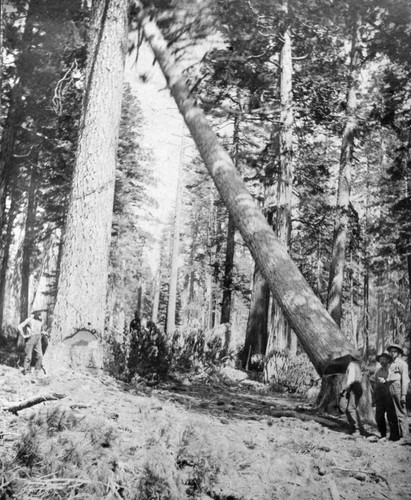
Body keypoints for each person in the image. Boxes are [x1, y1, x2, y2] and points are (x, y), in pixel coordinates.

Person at [386, 344, 409, 443]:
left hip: (398, 388)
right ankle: (394, 435)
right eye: (391, 351)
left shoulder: (402, 363)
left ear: (399, 353)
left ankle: (405, 437)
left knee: (400, 412)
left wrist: (403, 394)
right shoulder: (389, 364)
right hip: (389, 387)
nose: (392, 353)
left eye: (395, 351)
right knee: (390, 412)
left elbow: (405, 379)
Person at [374, 352, 395, 441]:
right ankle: (383, 434)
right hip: (380, 395)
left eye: (384, 359)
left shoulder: (391, 369)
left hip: (389, 395)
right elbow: (374, 380)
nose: (382, 361)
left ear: (388, 360)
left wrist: (385, 380)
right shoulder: (378, 370)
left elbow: (394, 379)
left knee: (391, 416)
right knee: (379, 416)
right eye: (380, 360)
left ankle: (394, 436)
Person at [340, 355, 363, 437]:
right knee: (349, 408)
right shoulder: (357, 365)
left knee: (351, 408)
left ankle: (357, 429)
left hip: (354, 387)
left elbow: (351, 380)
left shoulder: (352, 365)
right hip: (356, 387)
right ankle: (353, 427)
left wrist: (344, 389)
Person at [18, 310, 44, 376]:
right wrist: (23, 335)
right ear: (35, 313)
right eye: (38, 313)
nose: (39, 314)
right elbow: (20, 326)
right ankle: (27, 372)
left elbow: (41, 330)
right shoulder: (29, 320)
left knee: (40, 356)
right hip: (31, 338)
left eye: (40, 313)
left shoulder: (40, 320)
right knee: (28, 357)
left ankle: (37, 371)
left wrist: (44, 333)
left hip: (38, 338)